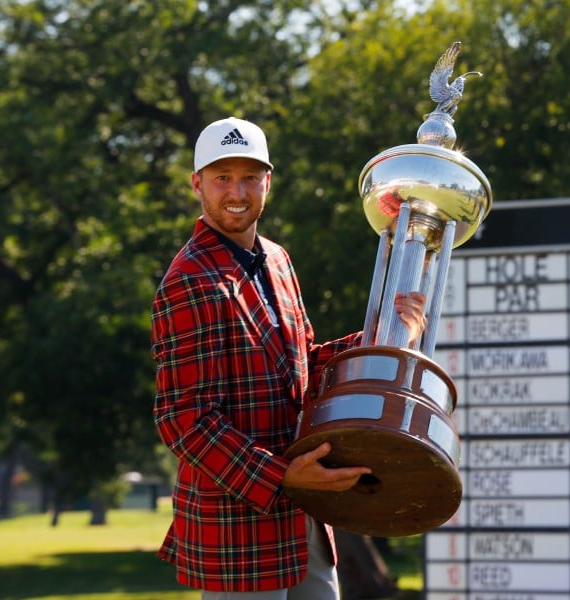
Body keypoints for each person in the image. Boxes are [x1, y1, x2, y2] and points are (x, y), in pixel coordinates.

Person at [151, 116, 426, 600]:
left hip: (303, 516)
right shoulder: (187, 281)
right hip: (238, 529)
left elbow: (306, 366)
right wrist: (281, 475)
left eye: (249, 177)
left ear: (267, 182)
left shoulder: (277, 259)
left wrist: (384, 334)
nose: (237, 191)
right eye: (222, 178)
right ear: (198, 184)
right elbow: (184, 421)